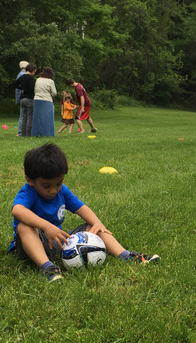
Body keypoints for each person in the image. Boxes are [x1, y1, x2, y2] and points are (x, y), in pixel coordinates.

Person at [9, 143, 159, 282]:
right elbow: (17, 210)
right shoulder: (28, 192)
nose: (53, 190)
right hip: (32, 246)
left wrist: (97, 223)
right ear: (30, 180)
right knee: (24, 226)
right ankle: (48, 268)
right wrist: (46, 226)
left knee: (93, 226)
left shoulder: (63, 191)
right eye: (47, 185)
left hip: (57, 242)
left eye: (58, 183)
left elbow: (82, 208)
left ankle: (125, 255)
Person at [12, 63, 36, 137]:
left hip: (22, 99)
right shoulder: (31, 78)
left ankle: (22, 134)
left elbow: (14, 84)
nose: (34, 73)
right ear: (32, 71)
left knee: (23, 117)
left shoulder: (22, 77)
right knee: (30, 117)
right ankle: (28, 134)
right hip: (29, 99)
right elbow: (33, 89)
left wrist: (22, 88)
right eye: (34, 72)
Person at [32, 67, 57, 137]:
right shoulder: (50, 81)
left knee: (38, 118)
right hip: (47, 100)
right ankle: (48, 133)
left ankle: (36, 133)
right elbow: (54, 93)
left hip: (37, 99)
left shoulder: (38, 80)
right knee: (47, 118)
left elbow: (35, 90)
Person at [15, 60, 28, 136]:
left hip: (21, 98)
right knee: (23, 116)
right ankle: (20, 132)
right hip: (23, 97)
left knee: (23, 115)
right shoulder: (22, 75)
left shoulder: (20, 74)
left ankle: (22, 131)